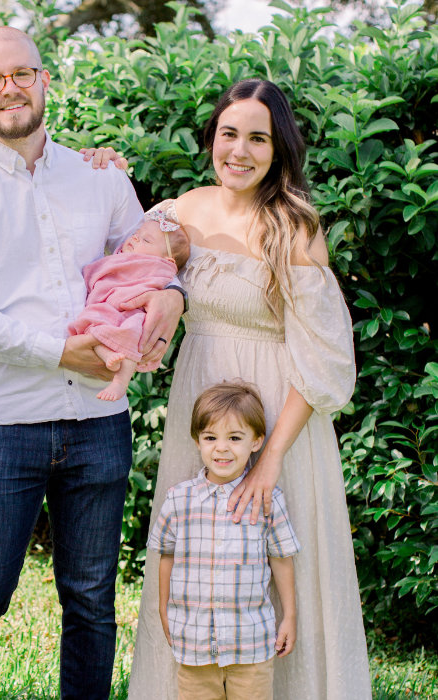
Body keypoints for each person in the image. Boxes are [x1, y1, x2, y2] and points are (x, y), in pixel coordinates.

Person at [0, 26, 185, 699]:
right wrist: (59, 351)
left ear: (44, 80)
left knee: (92, 600)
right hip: (6, 427)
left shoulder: (101, 177)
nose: (10, 88)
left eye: (22, 73)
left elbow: (147, 261)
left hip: (100, 425)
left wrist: (172, 300)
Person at [125, 79, 372, 699]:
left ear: (278, 148)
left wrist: (271, 462)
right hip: (201, 409)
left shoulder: (295, 227)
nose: (239, 150)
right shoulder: (180, 211)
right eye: (229, 133)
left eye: (257, 138)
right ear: (212, 137)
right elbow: (122, 263)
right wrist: (105, 168)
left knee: (282, 557)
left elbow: (323, 359)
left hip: (278, 417)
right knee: (195, 559)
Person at [149, 381, 299, 700]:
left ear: (257, 441)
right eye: (210, 437)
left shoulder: (267, 500)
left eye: (234, 437)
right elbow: (166, 554)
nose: (221, 448)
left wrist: (290, 615)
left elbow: (281, 557)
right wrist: (163, 608)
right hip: (194, 646)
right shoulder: (179, 500)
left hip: (251, 646)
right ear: (197, 440)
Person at [68, 209, 190, 401]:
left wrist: (176, 295)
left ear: (166, 261)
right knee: (91, 325)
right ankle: (107, 355)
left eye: (146, 241)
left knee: (134, 331)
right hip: (106, 307)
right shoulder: (119, 256)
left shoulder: (159, 268)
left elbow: (166, 284)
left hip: (132, 311)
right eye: (136, 234)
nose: (135, 238)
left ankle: (121, 381)